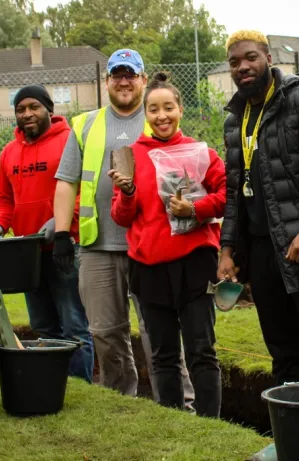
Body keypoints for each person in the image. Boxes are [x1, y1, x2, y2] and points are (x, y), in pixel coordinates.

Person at [53, 49, 194, 404]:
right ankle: (121, 403)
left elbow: (185, 178)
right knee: (105, 332)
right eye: (117, 74)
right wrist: (60, 234)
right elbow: (67, 181)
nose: (124, 80)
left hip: (149, 245)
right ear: (107, 82)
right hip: (98, 247)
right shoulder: (85, 124)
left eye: (131, 74)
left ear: (143, 81)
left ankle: (177, 405)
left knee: (159, 333)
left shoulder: (159, 118)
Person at [216, 30, 299, 385]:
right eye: (234, 62)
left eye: (250, 58)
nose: (243, 67)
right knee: (283, 355)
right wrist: (227, 249)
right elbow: (235, 190)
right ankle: (295, 437)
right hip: (262, 255)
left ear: (268, 59)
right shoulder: (236, 118)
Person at [109, 72, 225, 417]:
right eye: (154, 109)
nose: (162, 116)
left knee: (201, 350)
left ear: (180, 110)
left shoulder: (202, 153)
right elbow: (121, 216)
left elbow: (226, 196)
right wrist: (128, 193)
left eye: (168, 108)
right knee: (162, 355)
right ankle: (174, 422)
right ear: (145, 114)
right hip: (148, 268)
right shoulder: (129, 155)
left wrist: (196, 208)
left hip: (195, 264)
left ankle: (210, 425)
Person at [0, 84, 94, 383]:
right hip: (27, 256)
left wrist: (60, 222)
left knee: (75, 327)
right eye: (21, 109)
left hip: (64, 249)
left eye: (34, 107)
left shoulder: (69, 142)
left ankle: (83, 388)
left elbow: (84, 190)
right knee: (44, 326)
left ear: (49, 109)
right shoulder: (9, 153)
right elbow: (5, 199)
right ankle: (54, 384)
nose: (27, 114)